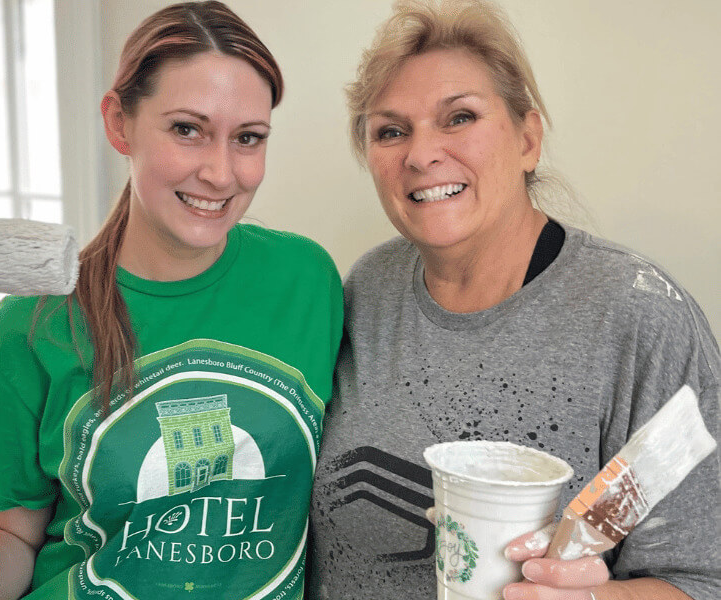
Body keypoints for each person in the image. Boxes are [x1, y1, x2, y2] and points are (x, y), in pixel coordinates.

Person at [0, 2, 342, 599]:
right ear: (120, 122)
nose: (221, 173)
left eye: (248, 138)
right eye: (187, 129)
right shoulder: (28, 328)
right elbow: (13, 542)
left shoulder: (307, 282)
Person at [308, 1, 719, 599]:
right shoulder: (367, 292)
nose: (422, 155)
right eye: (391, 131)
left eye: (459, 117)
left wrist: (592, 598)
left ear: (528, 139)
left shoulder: (637, 317)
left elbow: (702, 580)